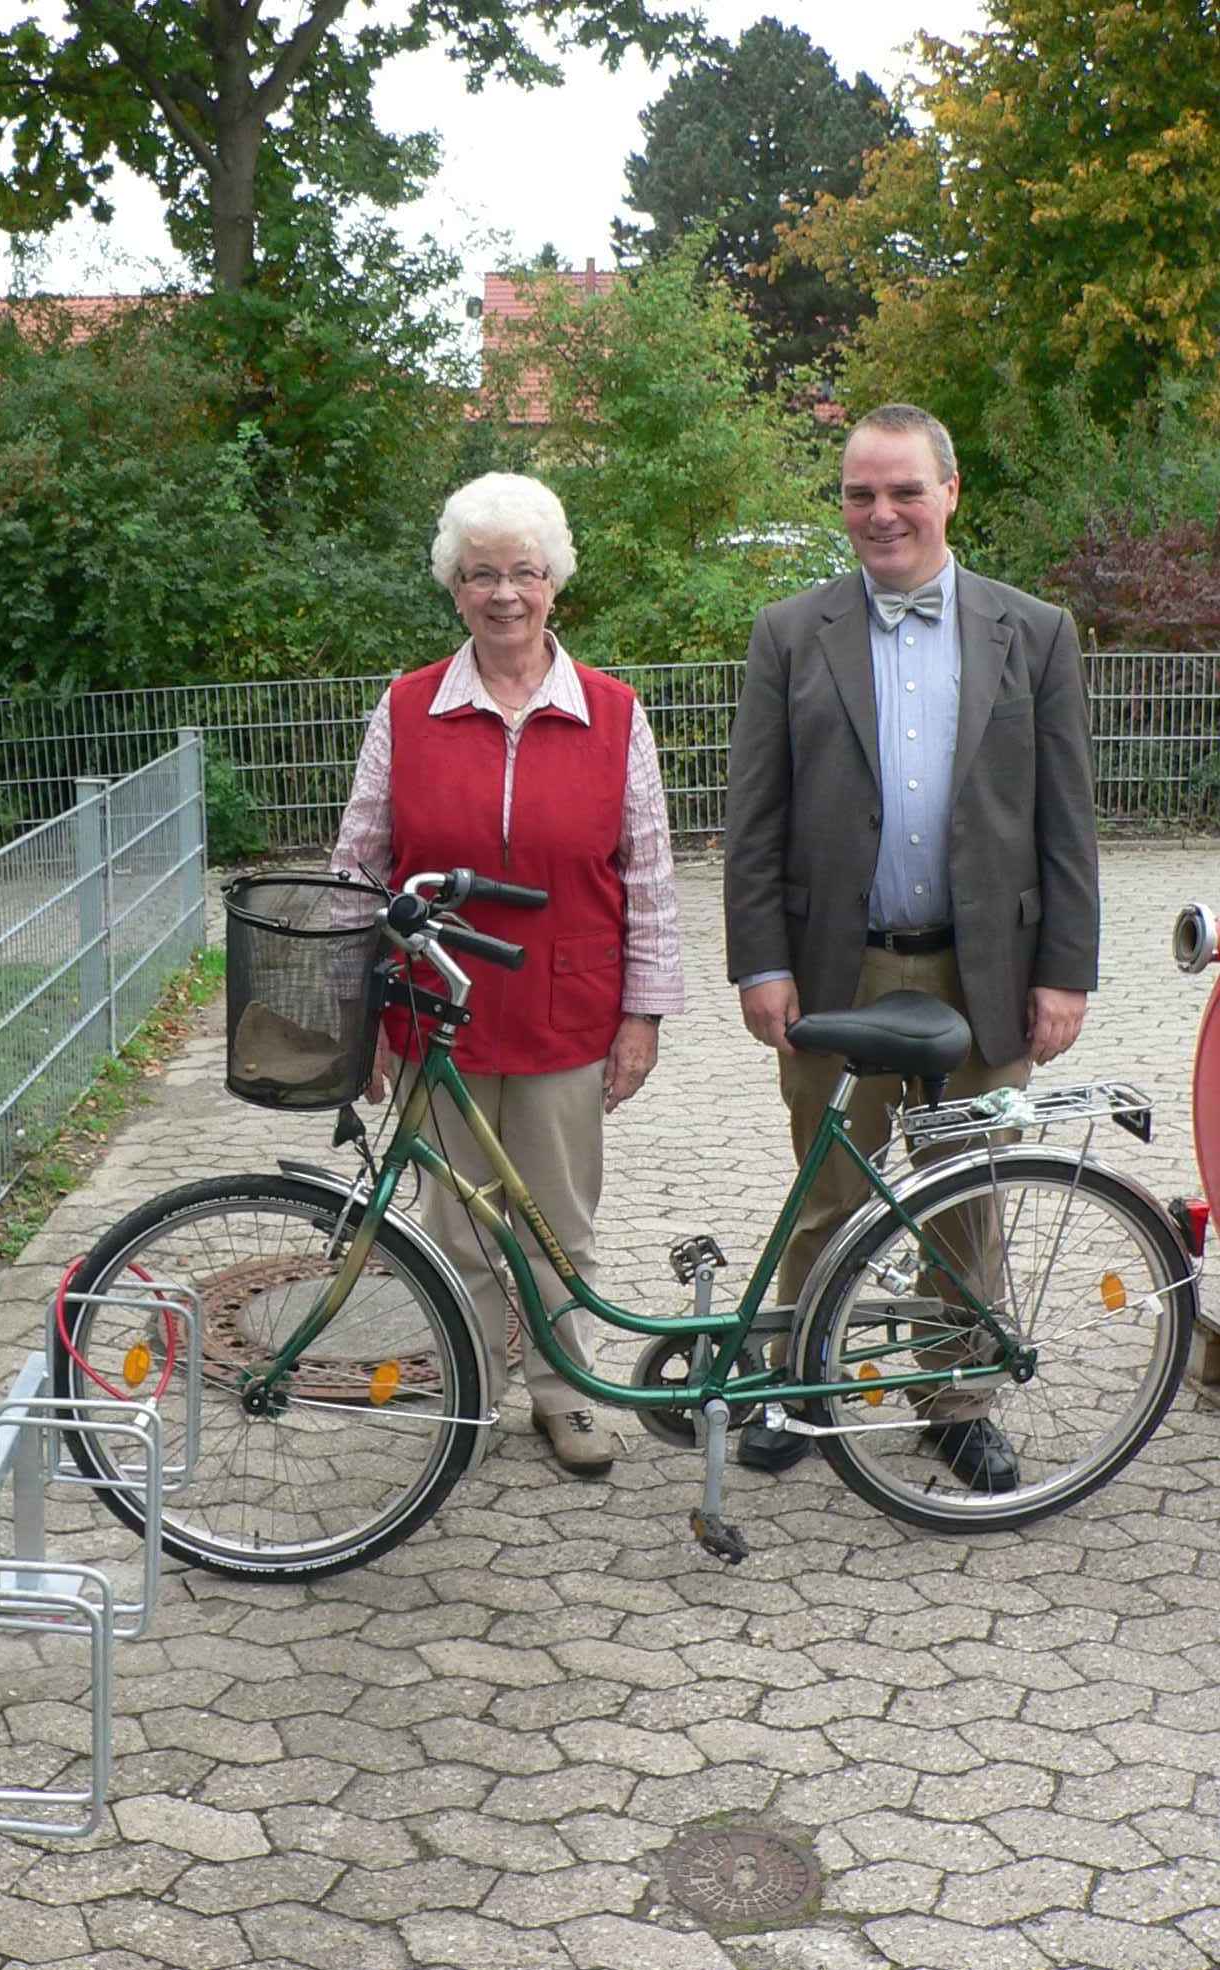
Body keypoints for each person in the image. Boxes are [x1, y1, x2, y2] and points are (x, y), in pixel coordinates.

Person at [723, 403, 1099, 1490]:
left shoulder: (1034, 632)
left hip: (985, 974)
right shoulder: (792, 633)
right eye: (859, 493)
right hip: (838, 969)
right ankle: (802, 1385)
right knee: (829, 1192)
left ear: (950, 492)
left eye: (902, 490)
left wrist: (1064, 971)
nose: (880, 513)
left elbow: (1066, 823)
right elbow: (754, 821)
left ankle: (956, 1401)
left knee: (967, 1199)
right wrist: (762, 963)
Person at [331, 471, 685, 1476]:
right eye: (479, 574)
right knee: (451, 1219)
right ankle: (472, 1389)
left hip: (568, 1009)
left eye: (521, 572)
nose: (503, 595)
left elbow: (651, 878)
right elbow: (357, 866)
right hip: (431, 1005)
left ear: (553, 583)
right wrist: (354, 1017)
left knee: (554, 1220)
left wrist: (645, 1013)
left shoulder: (615, 715)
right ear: (454, 588)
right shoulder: (406, 709)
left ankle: (567, 1395)